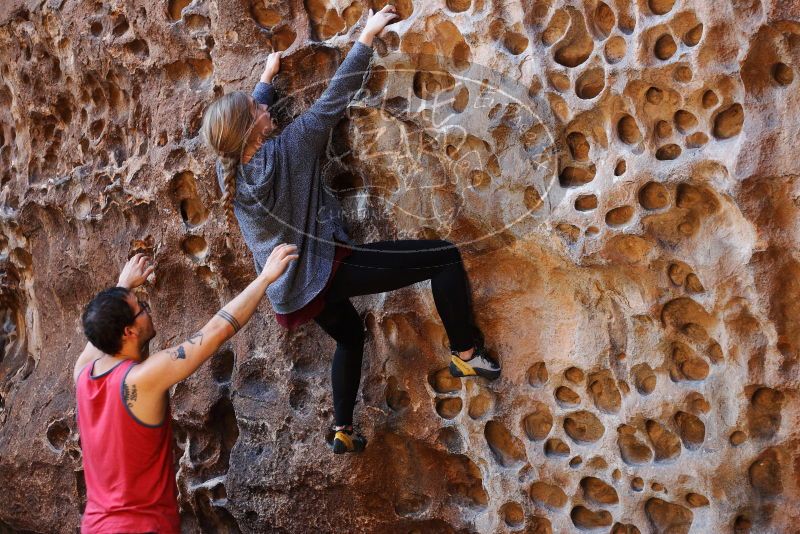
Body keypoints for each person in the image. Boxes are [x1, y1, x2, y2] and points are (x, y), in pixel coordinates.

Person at [200, 5, 501, 454]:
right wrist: (367, 36)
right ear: (253, 126)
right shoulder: (292, 148)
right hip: (324, 270)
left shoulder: (231, 174)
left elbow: (248, 121)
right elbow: (334, 98)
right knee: (443, 256)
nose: (262, 106)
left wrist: (266, 78)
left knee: (349, 334)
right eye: (255, 108)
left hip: (293, 288)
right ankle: (464, 354)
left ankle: (342, 428)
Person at [73, 246, 298, 533]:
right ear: (128, 332)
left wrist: (123, 286)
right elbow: (216, 331)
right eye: (140, 309)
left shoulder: (83, 374)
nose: (147, 311)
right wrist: (265, 278)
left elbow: (99, 327)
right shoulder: (141, 379)